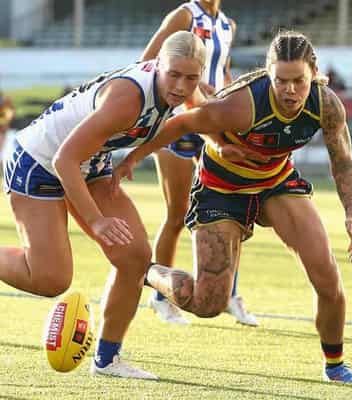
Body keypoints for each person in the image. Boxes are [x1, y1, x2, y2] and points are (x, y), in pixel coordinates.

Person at [112, 31, 352, 385]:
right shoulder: (241, 106)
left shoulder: (326, 105)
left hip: (275, 184)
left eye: (298, 80)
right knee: (208, 303)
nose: (289, 90)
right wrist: (133, 158)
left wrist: (351, 212)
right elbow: (182, 123)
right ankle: (145, 272)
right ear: (268, 74)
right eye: (280, 80)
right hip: (221, 191)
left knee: (327, 276)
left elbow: (343, 160)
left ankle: (336, 367)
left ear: (313, 73)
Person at [1, 31, 206, 379]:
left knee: (135, 257)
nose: (182, 86)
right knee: (51, 280)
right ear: (157, 64)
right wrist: (95, 222)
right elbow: (65, 159)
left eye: (192, 78)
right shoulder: (127, 98)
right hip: (39, 162)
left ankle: (107, 361)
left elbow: (185, 120)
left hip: (90, 163)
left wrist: (133, 158)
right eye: (174, 74)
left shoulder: (178, 88)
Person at [140, 0, 258, 326]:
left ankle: (230, 293)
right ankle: (160, 297)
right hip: (179, 122)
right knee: (177, 214)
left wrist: (232, 97)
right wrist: (189, 85)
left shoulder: (227, 25)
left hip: (215, 124)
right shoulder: (184, 15)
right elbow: (148, 60)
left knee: (233, 214)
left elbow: (224, 71)